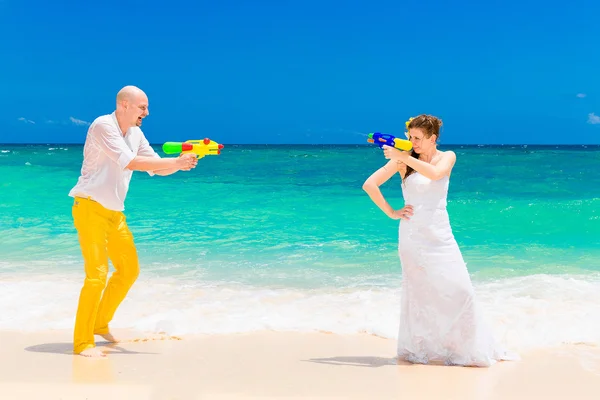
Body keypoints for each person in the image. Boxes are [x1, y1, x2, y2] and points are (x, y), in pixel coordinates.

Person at [362, 114, 517, 367]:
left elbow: (435, 174)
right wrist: (392, 212)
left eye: (418, 138)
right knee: (421, 294)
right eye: (410, 138)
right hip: (412, 236)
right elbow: (369, 185)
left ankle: (463, 349)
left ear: (433, 138)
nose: (413, 143)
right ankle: (425, 351)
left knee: (460, 290)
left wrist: (403, 156)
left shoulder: (447, 156)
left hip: (440, 234)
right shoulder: (405, 161)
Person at [68, 85, 198, 358]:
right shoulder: (103, 126)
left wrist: (179, 164)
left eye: (147, 107)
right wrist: (173, 161)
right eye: (142, 107)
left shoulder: (136, 133)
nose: (147, 113)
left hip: (115, 213)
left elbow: (153, 165)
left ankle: (100, 323)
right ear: (124, 104)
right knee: (96, 276)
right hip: (89, 208)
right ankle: (82, 343)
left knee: (129, 271)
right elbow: (128, 162)